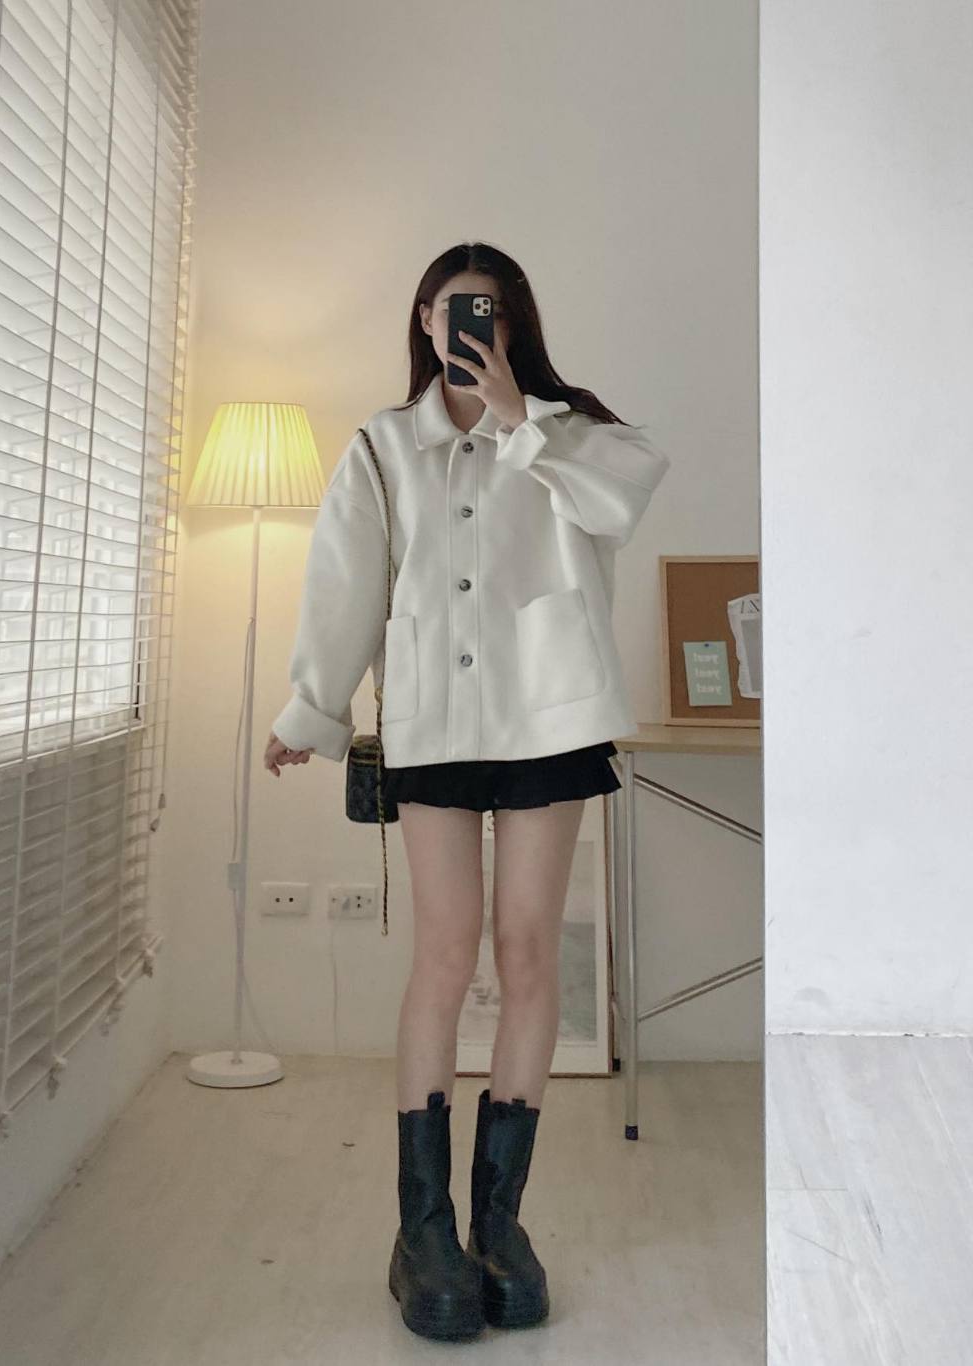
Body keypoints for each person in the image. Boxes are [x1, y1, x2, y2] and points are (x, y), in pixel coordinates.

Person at [263, 242, 671, 1341]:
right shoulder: (383, 445)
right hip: (435, 724)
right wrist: (312, 710)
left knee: (527, 950)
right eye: (455, 308)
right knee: (444, 954)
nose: (471, 324)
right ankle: (425, 1230)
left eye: (490, 308)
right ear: (424, 318)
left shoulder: (570, 434)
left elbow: (623, 502)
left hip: (548, 719)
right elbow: (347, 581)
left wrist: (517, 418)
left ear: (514, 321)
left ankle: (500, 1224)